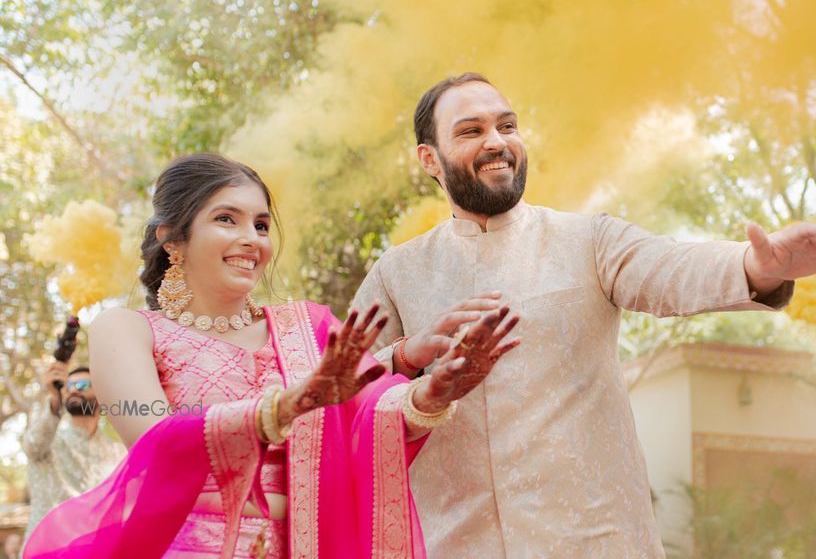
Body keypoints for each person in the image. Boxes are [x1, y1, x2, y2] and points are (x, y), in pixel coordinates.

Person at [351, 72, 816, 557]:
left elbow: (673, 268)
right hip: (454, 542)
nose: (497, 142)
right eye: (471, 131)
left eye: (506, 126)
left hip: (595, 541)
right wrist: (404, 357)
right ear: (429, 159)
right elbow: (341, 400)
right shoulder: (398, 273)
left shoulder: (588, 240)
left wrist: (757, 267)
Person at [23, 153, 519, 559]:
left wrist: (431, 393)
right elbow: (153, 437)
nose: (252, 239)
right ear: (172, 238)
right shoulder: (127, 328)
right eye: (226, 219)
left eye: (261, 225)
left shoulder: (307, 327)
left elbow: (369, 415)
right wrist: (283, 407)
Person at [22, 361, 124, 538]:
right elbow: (33, 445)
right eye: (69, 385)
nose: (74, 390)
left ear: (103, 397)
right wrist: (55, 399)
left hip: (96, 548)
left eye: (83, 385)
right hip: (46, 546)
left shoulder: (119, 453)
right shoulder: (49, 442)